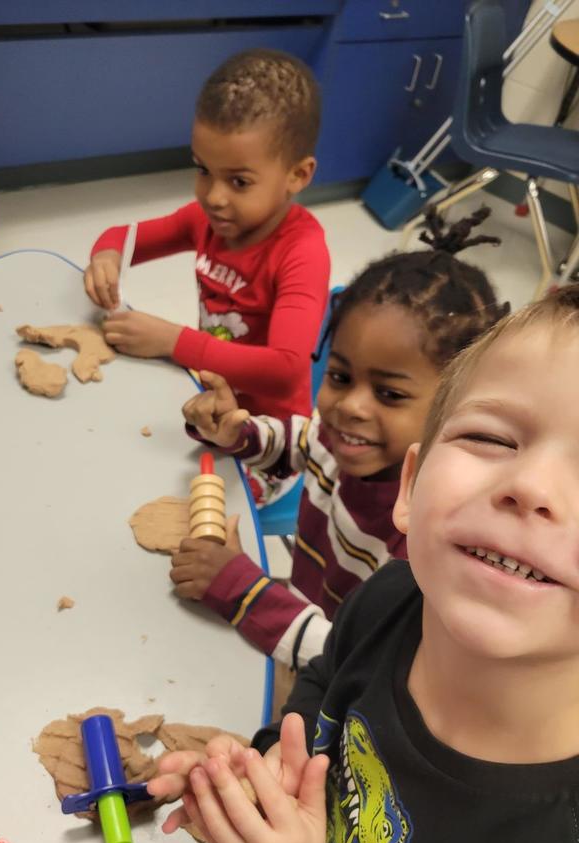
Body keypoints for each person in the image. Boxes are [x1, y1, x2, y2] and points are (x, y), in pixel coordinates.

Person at [150, 283, 579, 843]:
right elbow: (324, 679)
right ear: (411, 486)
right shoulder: (393, 597)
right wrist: (269, 773)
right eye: (492, 438)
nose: (530, 487)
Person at [171, 208, 507, 670]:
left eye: (389, 393)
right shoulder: (344, 438)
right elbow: (302, 442)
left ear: (458, 403)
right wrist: (239, 433)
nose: (350, 406)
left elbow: (360, 659)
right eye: (340, 376)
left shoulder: (426, 536)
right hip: (306, 606)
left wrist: (244, 592)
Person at [84, 49, 330, 430]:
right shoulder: (206, 221)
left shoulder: (302, 252)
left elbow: (285, 370)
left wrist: (173, 342)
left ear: (297, 175)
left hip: (267, 432)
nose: (214, 197)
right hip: (209, 399)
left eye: (239, 182)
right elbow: (121, 237)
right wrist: (106, 257)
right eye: (203, 170)